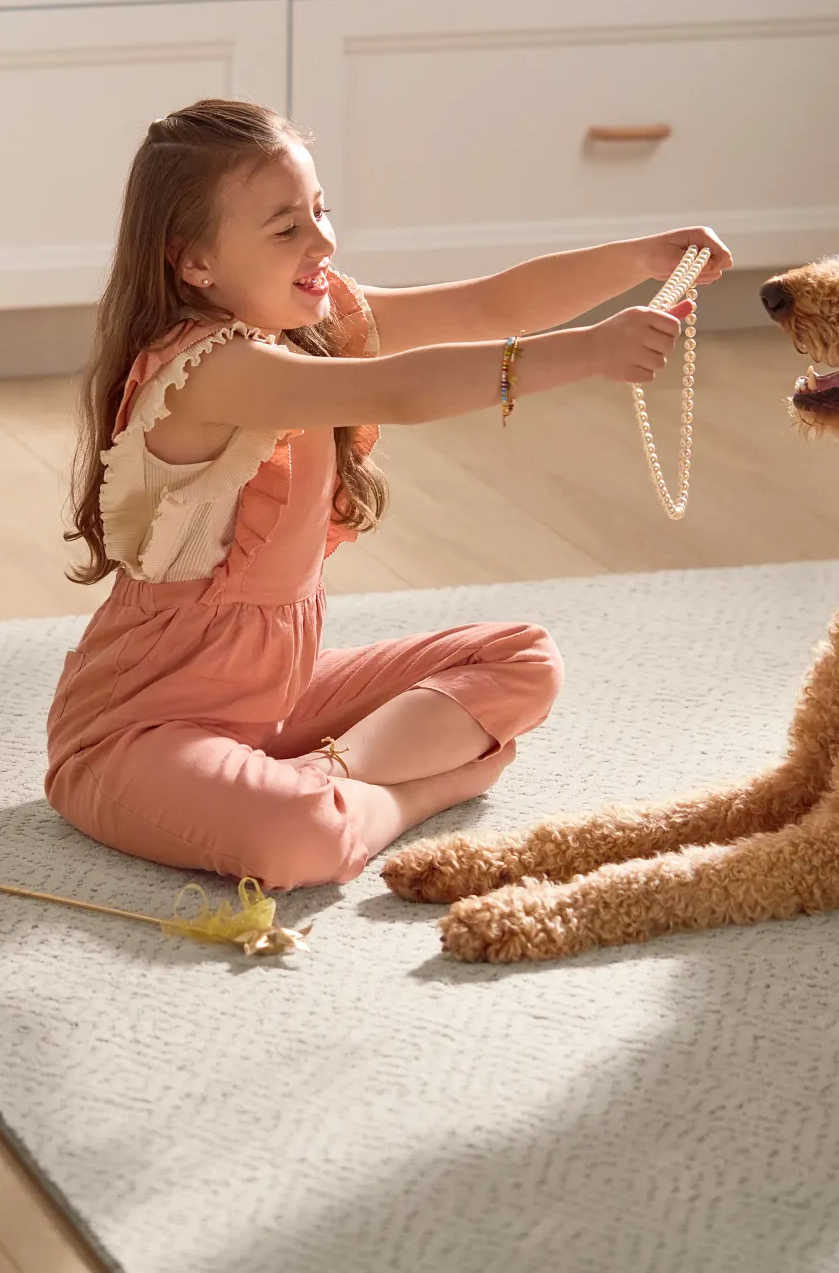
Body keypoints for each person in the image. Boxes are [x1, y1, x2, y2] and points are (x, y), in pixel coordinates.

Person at [46, 98, 727, 889]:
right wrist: (586, 354)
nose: (322, 241)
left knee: (522, 657)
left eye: (320, 210)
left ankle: (335, 774)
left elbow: (486, 307)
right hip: (139, 729)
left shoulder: (306, 321)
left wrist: (637, 258)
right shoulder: (207, 371)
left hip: (276, 697)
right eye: (285, 228)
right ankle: (403, 792)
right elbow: (397, 389)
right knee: (298, 838)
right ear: (194, 262)